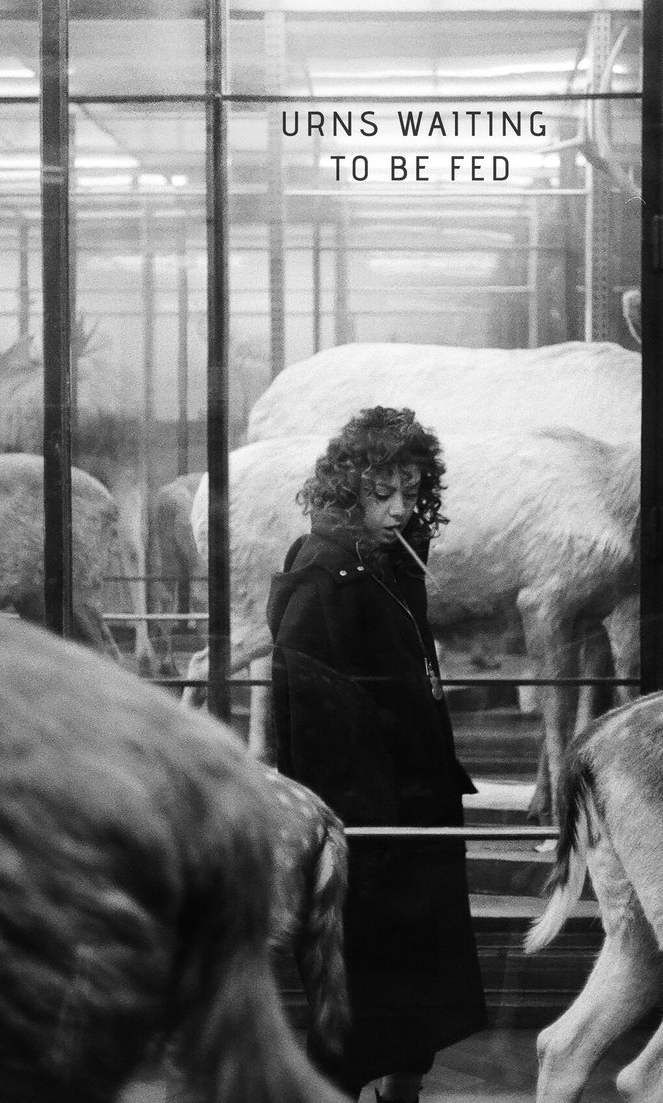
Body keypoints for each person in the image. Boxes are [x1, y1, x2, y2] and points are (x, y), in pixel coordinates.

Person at [267, 406, 487, 1103]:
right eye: (382, 493)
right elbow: (311, 716)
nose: (399, 509)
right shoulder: (325, 574)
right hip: (368, 823)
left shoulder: (392, 561)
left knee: (417, 985)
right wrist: (357, 823)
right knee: (357, 988)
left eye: (411, 492)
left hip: (414, 810)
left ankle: (402, 1090)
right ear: (347, 490)